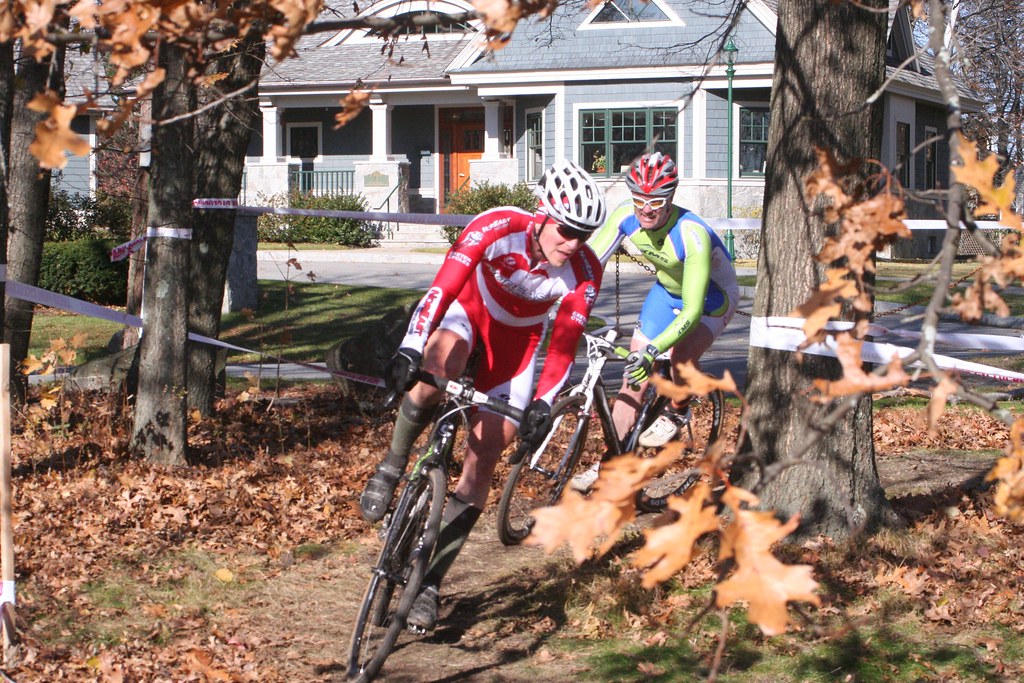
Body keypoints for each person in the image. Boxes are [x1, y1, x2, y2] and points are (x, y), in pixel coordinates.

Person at [359, 159, 607, 631]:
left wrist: (542, 404)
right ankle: (392, 465)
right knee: (436, 363)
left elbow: (563, 347)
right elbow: (441, 289)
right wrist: (410, 347)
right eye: (566, 230)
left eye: (584, 235)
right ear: (543, 213)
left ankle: (429, 582)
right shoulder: (496, 226)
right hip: (467, 315)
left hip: (516, 346)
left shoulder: (584, 271)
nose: (573, 243)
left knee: (487, 451)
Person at [571, 151, 739, 491]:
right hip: (666, 293)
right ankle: (610, 465)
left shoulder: (691, 233)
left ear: (670, 199)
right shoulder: (626, 216)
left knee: (678, 357)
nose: (646, 209)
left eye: (656, 202)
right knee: (632, 382)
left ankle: (678, 408)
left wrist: (655, 349)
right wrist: (570, 306)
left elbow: (692, 310)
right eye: (638, 200)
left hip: (711, 299)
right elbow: (590, 265)